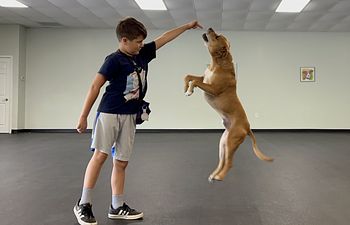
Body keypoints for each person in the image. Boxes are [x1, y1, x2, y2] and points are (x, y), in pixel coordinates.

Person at [73, 17, 202, 225]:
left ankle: (116, 206)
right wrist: (83, 116)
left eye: (143, 41)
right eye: (138, 41)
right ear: (124, 40)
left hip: (130, 116)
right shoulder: (113, 60)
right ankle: (83, 204)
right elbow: (95, 87)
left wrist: (186, 27)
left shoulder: (142, 54)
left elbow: (164, 39)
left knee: (121, 162)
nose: (142, 45)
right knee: (100, 156)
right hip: (109, 113)